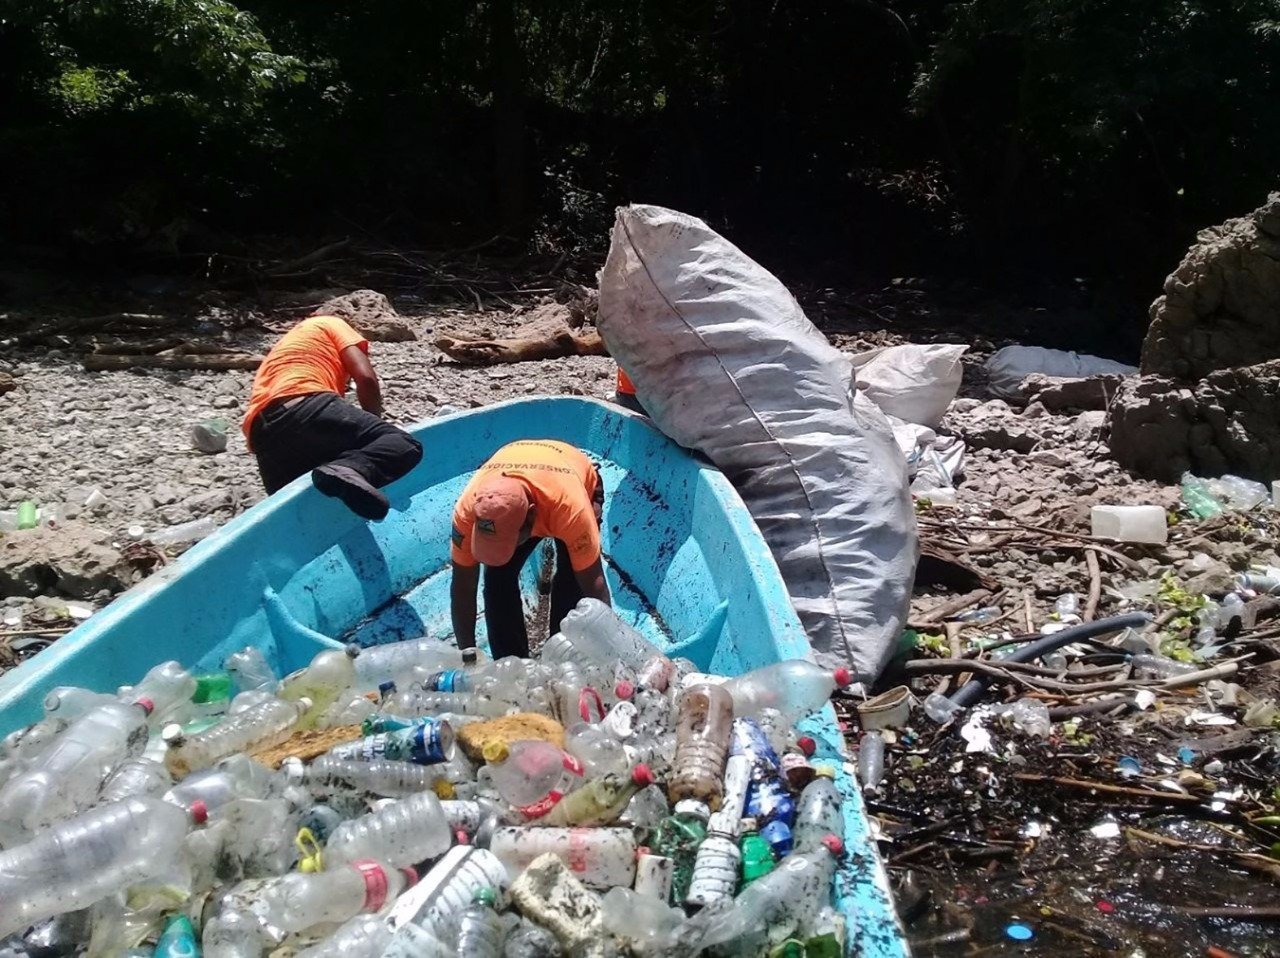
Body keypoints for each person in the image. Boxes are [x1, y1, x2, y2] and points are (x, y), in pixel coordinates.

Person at [242, 314, 422, 520]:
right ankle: (350, 469)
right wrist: (375, 432)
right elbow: (365, 378)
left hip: (261, 435)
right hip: (304, 399)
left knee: (301, 517)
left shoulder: (289, 349)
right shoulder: (332, 323)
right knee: (401, 443)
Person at [450, 439, 609, 658]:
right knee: (497, 579)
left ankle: (562, 656)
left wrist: (609, 655)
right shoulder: (468, 511)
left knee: (571, 581)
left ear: (532, 516)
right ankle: (510, 662)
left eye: (508, 541)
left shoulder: (570, 511)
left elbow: (594, 587)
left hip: (573, 477)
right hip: (518, 462)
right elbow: (463, 587)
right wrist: (467, 656)